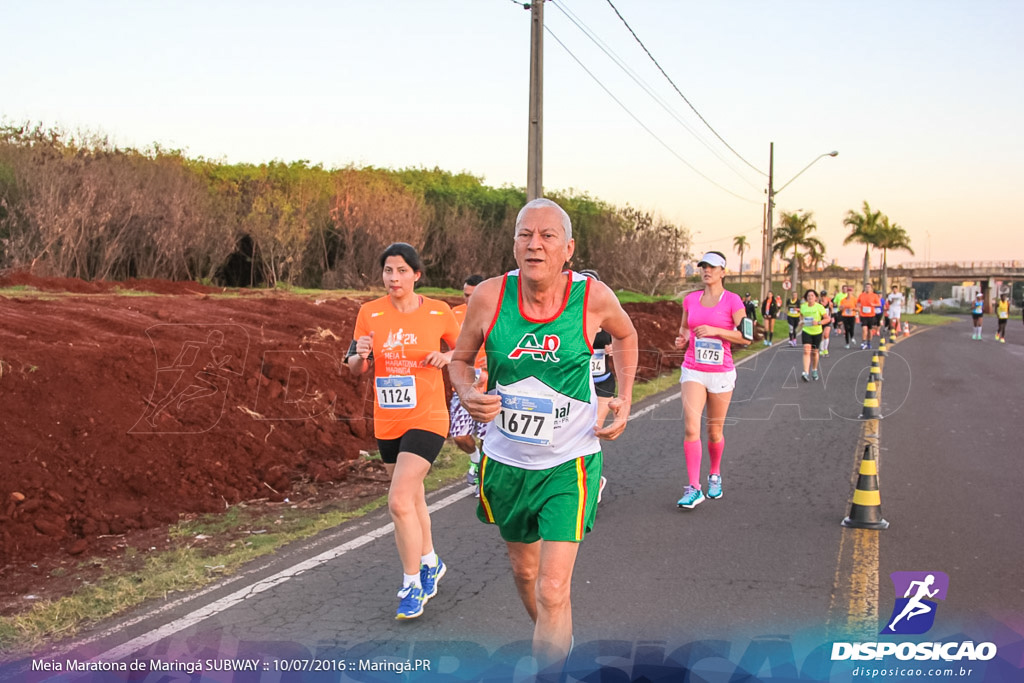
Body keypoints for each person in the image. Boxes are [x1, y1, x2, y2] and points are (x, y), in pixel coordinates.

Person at [449, 198, 638, 671]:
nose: (535, 244)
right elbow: (458, 360)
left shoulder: (591, 297)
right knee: (526, 573)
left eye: (547, 235)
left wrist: (625, 396)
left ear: (567, 248)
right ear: (513, 244)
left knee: (554, 588)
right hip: (506, 462)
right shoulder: (489, 297)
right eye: (524, 234)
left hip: (570, 461)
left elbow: (626, 335)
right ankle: (558, 640)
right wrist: (467, 390)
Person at [345, 242, 461, 620]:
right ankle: (430, 562)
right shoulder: (370, 313)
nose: (394, 278)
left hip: (427, 416)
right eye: (388, 271)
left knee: (398, 501)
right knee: (413, 499)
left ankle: (412, 585)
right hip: (388, 419)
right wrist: (361, 355)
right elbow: (353, 368)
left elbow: (465, 352)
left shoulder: (438, 312)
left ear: (416, 275)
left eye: (401, 271)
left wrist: (445, 357)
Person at [674, 251, 751, 509]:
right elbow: (685, 326)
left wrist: (716, 331)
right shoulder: (690, 299)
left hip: (721, 372)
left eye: (712, 267)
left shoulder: (733, 301)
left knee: (714, 431)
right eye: (704, 266)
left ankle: (714, 473)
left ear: (723, 272)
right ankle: (693, 487)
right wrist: (682, 338)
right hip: (693, 369)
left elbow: (746, 337)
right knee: (691, 428)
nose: (707, 270)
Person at [449, 275, 489, 495]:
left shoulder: (496, 312)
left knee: (486, 437)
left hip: (489, 386)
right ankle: (476, 459)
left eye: (473, 296)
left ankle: (483, 476)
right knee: (459, 435)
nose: (468, 300)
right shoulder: (454, 315)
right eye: (465, 295)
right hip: (464, 386)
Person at [580, 269, 613, 502]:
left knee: (593, 432)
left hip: (601, 382)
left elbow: (625, 340)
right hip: (576, 386)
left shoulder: (609, 315)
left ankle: (594, 480)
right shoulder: (568, 317)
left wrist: (613, 349)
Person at [799, 290, 831, 381]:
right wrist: (801, 322)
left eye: (812, 296)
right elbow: (801, 316)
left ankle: (814, 369)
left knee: (815, 352)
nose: (810, 297)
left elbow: (827, 319)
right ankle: (805, 372)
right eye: (808, 296)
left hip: (817, 332)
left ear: (816, 298)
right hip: (806, 331)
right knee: (806, 351)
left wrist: (818, 322)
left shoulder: (819, 307)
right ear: (806, 298)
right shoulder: (803, 307)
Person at [856, 283, 880, 349]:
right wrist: (858, 306)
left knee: (870, 330)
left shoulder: (874, 295)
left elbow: (878, 304)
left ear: (871, 288)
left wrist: (873, 304)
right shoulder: (861, 295)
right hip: (863, 315)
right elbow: (858, 302)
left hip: (871, 315)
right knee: (864, 329)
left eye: (869, 287)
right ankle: (863, 342)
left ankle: (869, 342)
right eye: (866, 287)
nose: (867, 288)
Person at [818, 290, 834, 356]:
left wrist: (832, 317)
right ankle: (821, 349)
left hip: (828, 320)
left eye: (824, 296)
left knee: (826, 334)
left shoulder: (829, 303)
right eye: (822, 296)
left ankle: (825, 349)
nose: (823, 297)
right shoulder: (818, 303)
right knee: (821, 335)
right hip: (821, 321)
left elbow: (832, 311)